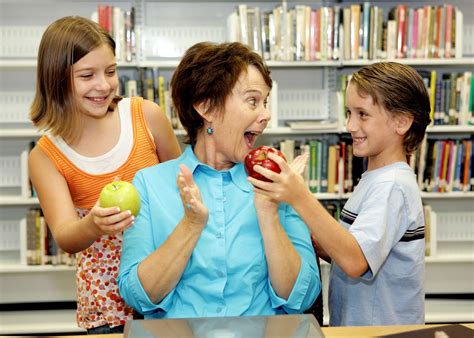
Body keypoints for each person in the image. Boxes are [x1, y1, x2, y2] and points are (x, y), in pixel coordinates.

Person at [117, 41, 321, 319]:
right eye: (252, 101)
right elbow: (138, 297)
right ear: (207, 107)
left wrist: (269, 213)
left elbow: (301, 297)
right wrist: (190, 225)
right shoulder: (149, 184)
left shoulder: (280, 182)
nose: (266, 115)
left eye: (265, 102)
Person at [28, 16, 181, 334]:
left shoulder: (146, 116)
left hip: (171, 284)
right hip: (106, 303)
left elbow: (183, 183)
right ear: (56, 79)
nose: (104, 85)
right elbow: (67, 236)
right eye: (87, 75)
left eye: (110, 72)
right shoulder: (45, 156)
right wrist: (94, 224)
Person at [248, 62, 431, 326]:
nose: (350, 125)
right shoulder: (374, 179)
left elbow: (355, 260)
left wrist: (299, 197)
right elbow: (344, 249)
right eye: (348, 113)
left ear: (401, 122)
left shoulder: (393, 185)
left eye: (362, 114)